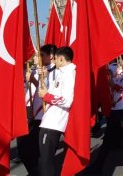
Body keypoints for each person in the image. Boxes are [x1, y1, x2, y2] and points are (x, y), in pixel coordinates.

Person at [87, 50, 123, 173]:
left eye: (120, 57)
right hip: (115, 107)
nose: (117, 60)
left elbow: (119, 86)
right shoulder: (116, 69)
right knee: (114, 139)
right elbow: (112, 85)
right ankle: (98, 167)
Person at [18, 44, 57, 176]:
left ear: (51, 56)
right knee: (24, 152)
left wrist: (34, 79)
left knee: (39, 155)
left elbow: (48, 93)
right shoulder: (34, 71)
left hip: (44, 119)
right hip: (31, 116)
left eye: (40, 55)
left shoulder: (56, 72)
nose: (36, 57)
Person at [37, 47, 76, 176]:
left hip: (54, 123)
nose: (54, 61)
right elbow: (51, 93)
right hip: (49, 120)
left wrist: (47, 96)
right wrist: (44, 84)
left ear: (61, 58)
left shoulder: (70, 74)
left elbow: (67, 100)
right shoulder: (62, 73)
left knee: (46, 162)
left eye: (56, 59)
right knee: (44, 161)